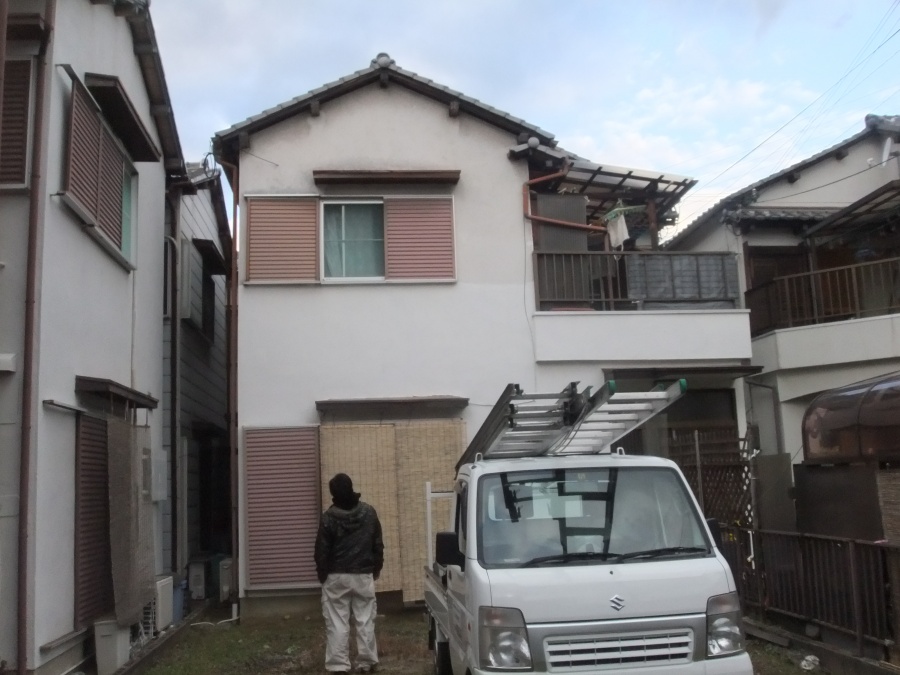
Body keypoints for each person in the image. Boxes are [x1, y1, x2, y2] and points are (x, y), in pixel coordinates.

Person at [315, 473, 384, 674]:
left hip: (336, 576)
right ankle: (366, 663)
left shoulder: (328, 517)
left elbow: (321, 551)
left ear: (333, 493)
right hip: (363, 574)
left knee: (337, 621)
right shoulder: (369, 513)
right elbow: (377, 544)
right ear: (351, 487)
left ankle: (338, 666)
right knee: (365, 619)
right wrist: (376, 569)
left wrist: (323, 574)